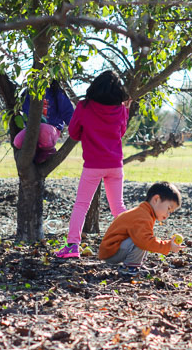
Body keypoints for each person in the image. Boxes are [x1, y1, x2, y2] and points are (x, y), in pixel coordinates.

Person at [54, 70, 131, 258]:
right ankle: (132, 242)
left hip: (93, 165)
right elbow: (120, 132)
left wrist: (87, 134)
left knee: (81, 205)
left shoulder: (84, 106)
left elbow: (73, 133)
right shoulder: (120, 109)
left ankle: (72, 246)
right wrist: (125, 110)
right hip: (115, 164)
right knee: (118, 207)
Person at [98, 181, 184, 273]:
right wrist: (168, 246)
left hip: (114, 249)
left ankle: (136, 264)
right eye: (168, 209)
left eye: (170, 212)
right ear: (156, 200)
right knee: (143, 240)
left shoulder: (144, 213)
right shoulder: (142, 216)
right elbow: (144, 241)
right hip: (111, 252)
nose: (168, 214)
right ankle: (129, 268)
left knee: (145, 238)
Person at [13, 81, 74, 164]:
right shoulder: (29, 91)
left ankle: (48, 151)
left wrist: (74, 127)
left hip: (51, 131)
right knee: (17, 142)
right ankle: (36, 151)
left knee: (43, 129)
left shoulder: (56, 91)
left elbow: (67, 112)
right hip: (32, 130)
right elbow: (25, 112)